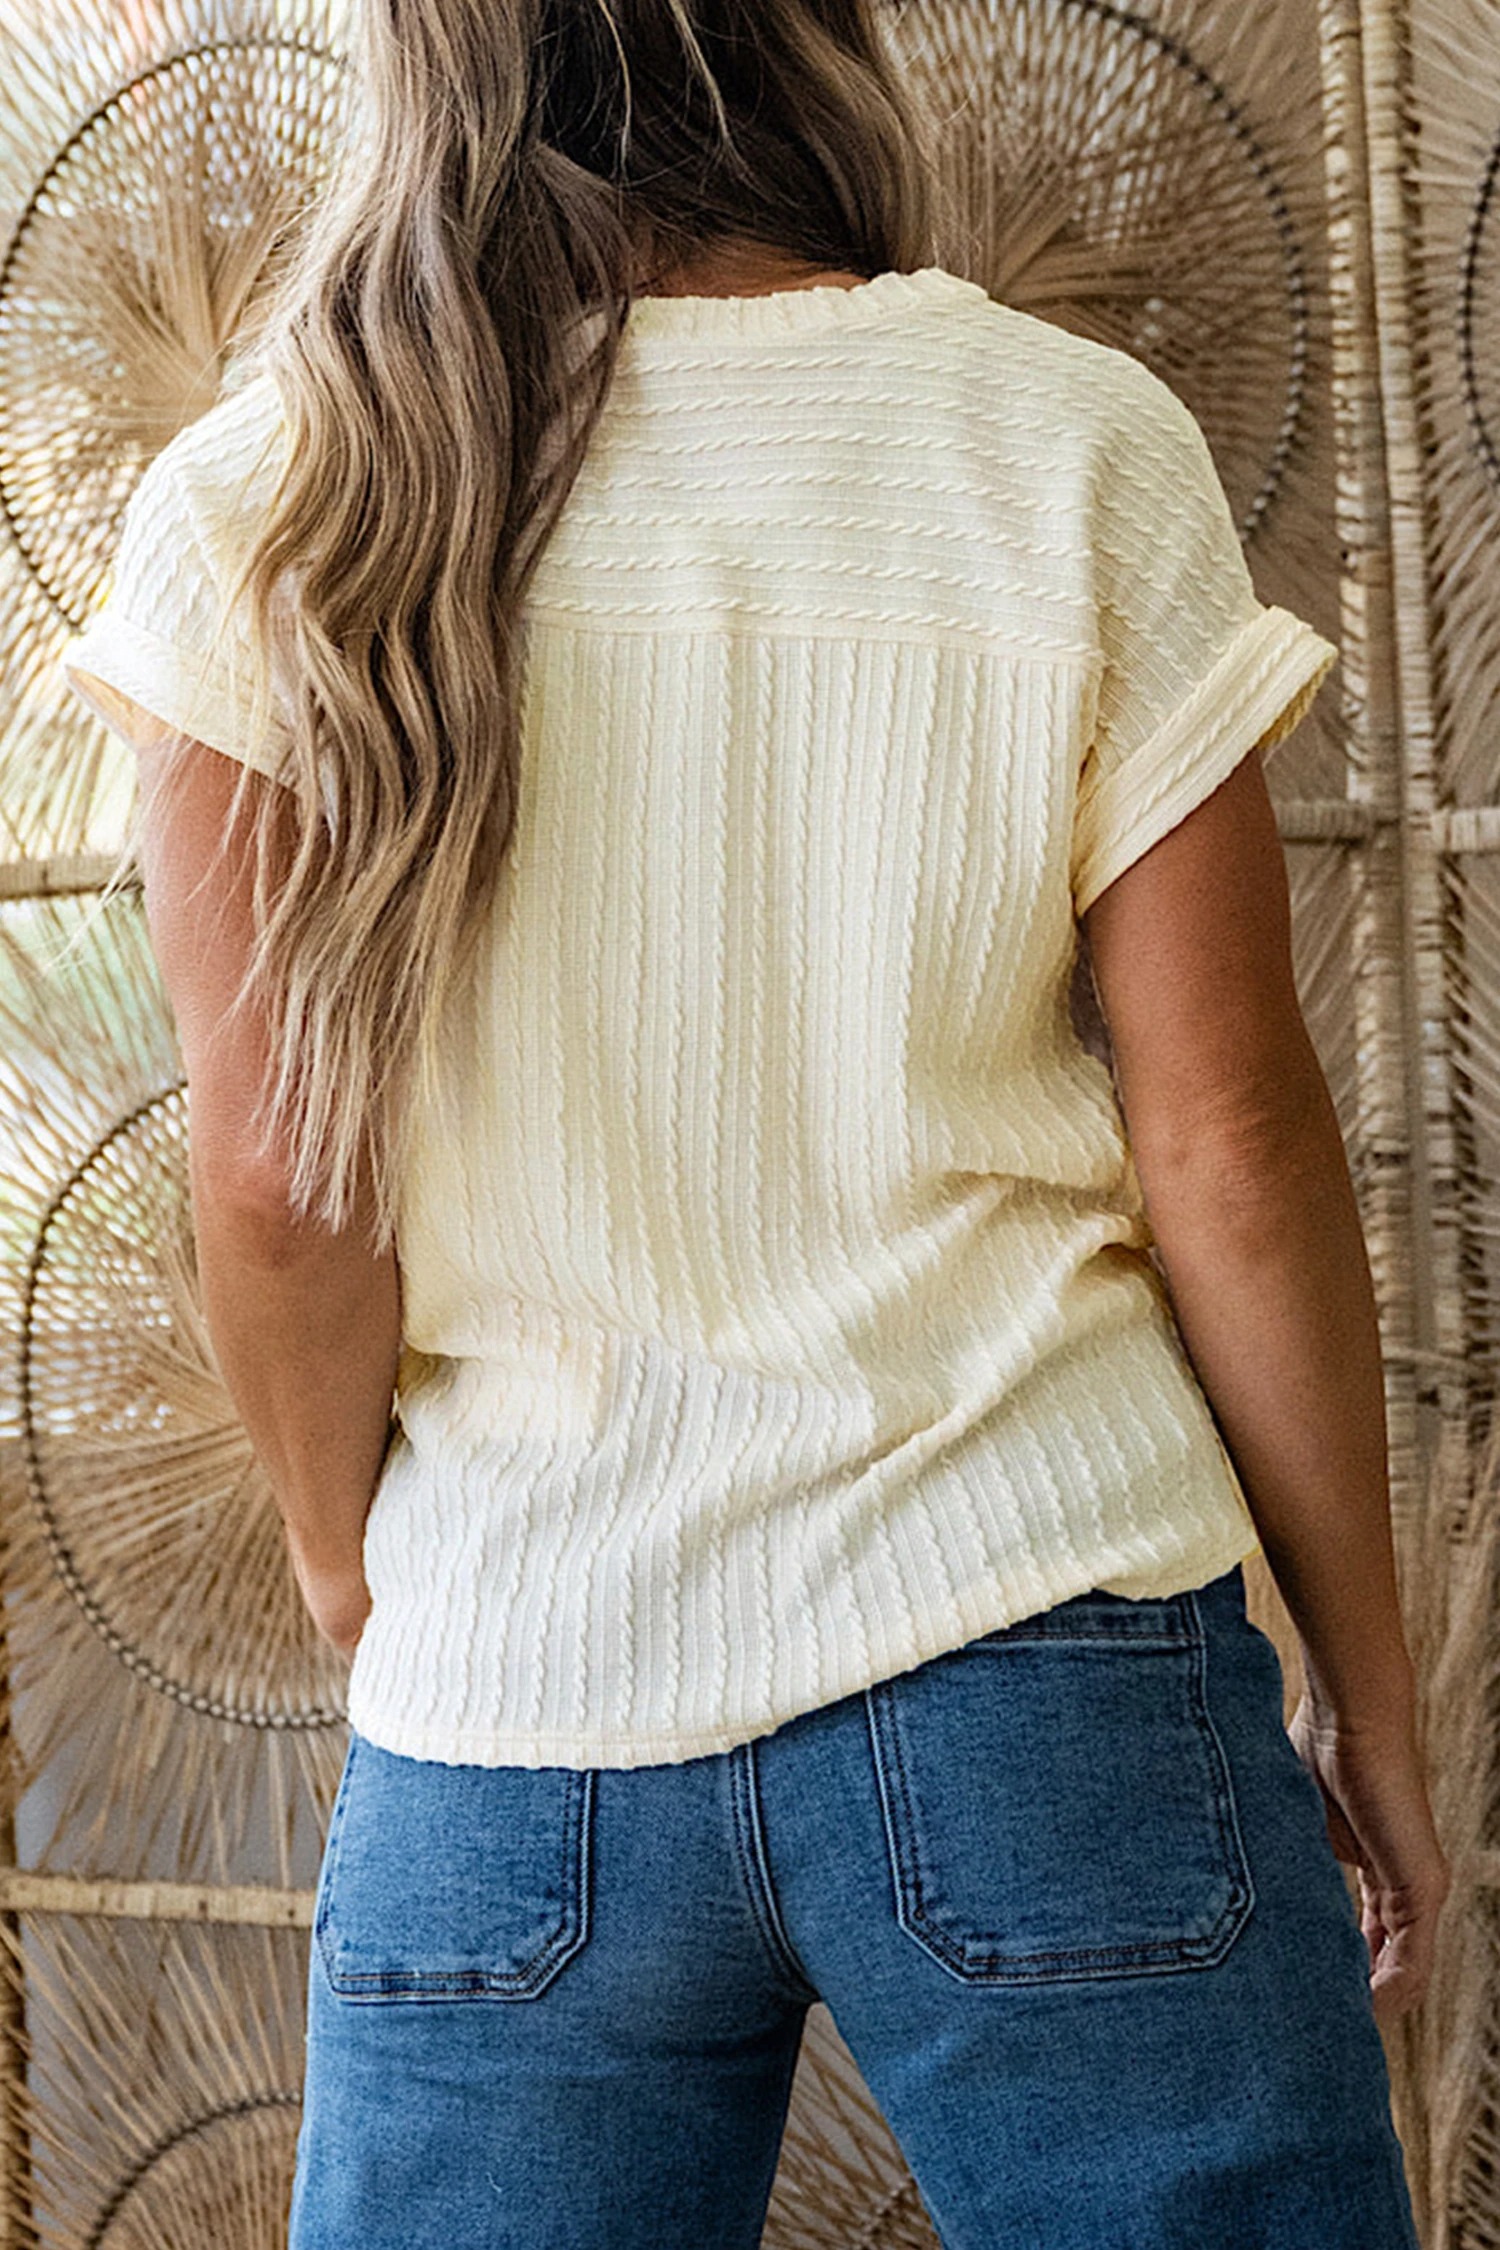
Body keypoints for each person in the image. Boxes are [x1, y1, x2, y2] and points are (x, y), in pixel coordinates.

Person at [59, 2, 1450, 2243]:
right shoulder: (1060, 437)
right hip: (1044, 1637)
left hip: (512, 1674)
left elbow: (280, 1182)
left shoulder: (269, 502)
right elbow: (1233, 1151)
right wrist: (1367, 1687)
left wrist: (347, 1555)